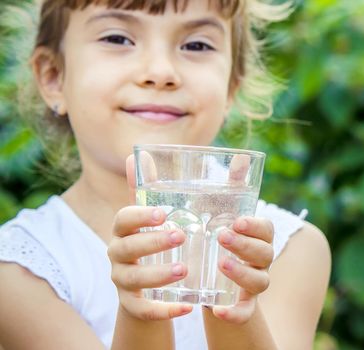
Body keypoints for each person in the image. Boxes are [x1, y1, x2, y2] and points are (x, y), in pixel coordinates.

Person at [0, 0, 331, 349]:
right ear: (53, 76)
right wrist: (140, 312)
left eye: (196, 45)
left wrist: (236, 305)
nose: (160, 71)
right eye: (117, 38)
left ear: (232, 85)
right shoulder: (18, 272)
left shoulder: (291, 250)